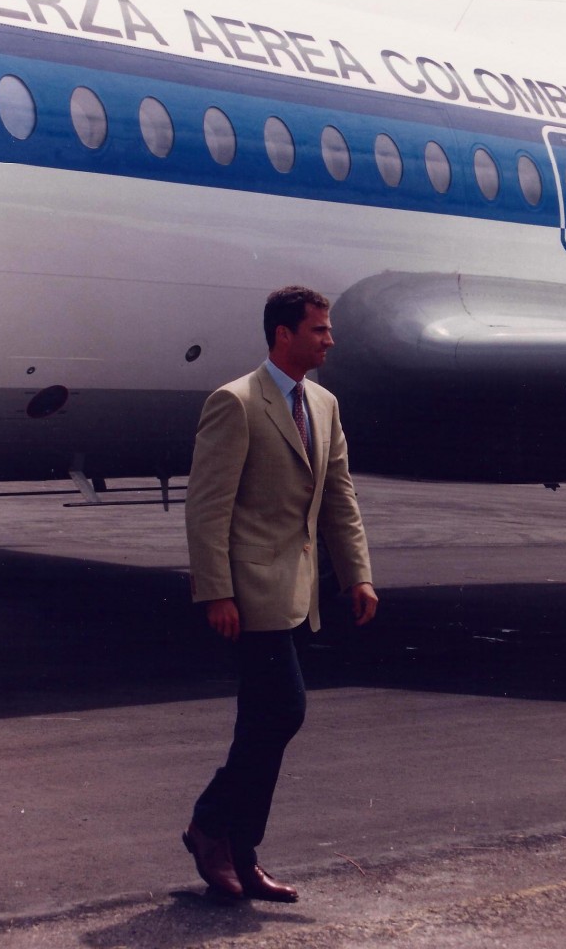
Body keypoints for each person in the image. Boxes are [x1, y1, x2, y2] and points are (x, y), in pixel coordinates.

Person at [183, 285, 378, 903]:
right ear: (283, 335)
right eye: (319, 330)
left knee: (262, 721)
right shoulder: (235, 403)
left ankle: (237, 852)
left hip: (297, 591)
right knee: (284, 710)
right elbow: (207, 508)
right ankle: (212, 828)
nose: (330, 339)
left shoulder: (323, 404)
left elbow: (339, 497)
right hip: (248, 593)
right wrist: (216, 592)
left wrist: (358, 575)